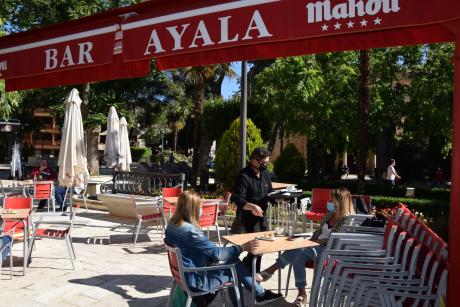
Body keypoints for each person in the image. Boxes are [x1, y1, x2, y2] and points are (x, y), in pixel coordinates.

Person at [164, 190, 282, 306]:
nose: (201, 210)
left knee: (232, 262)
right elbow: (217, 253)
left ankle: (259, 293)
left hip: (184, 276)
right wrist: (243, 247)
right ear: (192, 209)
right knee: (234, 268)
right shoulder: (190, 231)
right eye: (200, 207)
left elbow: (205, 252)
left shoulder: (172, 225)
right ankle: (258, 294)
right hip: (197, 281)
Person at [257, 187, 355, 307]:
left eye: (332, 200)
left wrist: (317, 242)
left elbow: (338, 242)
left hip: (328, 251)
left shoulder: (347, 219)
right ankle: (302, 295)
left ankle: (270, 271)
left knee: (298, 248)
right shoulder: (330, 214)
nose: (329, 202)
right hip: (314, 246)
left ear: (340, 202)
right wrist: (310, 239)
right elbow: (319, 231)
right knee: (297, 255)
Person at [230, 147, 273, 273]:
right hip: (247, 218)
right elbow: (237, 198)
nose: (265, 166)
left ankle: (247, 272)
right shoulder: (244, 175)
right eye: (263, 163)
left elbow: (270, 193)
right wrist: (252, 206)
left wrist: (281, 197)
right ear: (254, 160)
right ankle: (252, 276)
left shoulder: (265, 174)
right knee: (256, 248)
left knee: (263, 247)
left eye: (267, 163)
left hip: (262, 217)